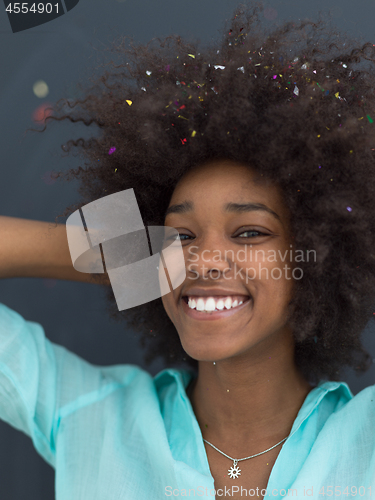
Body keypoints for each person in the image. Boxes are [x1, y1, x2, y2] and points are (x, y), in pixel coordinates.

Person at [1, 1, 375, 498]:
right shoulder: (85, 414)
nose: (203, 260)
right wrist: (120, 256)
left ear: (320, 255)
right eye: (180, 236)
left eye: (248, 233)